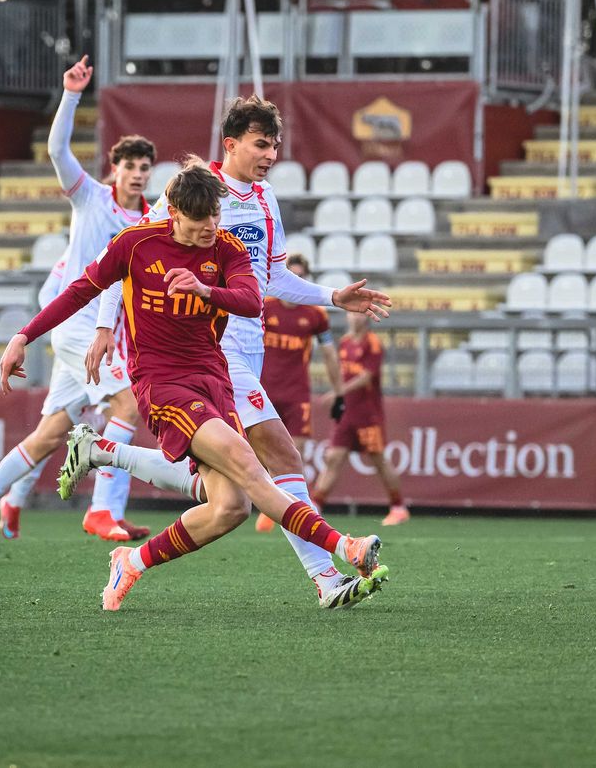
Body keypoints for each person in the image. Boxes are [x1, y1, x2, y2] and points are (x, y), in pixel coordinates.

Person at [0, 158, 388, 612]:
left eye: (216, 216)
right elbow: (80, 289)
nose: (211, 227)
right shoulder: (135, 244)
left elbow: (247, 299)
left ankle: (131, 560)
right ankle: (344, 549)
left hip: (213, 377)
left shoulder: (225, 248)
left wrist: (206, 292)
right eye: (201, 219)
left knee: (231, 507)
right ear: (175, 214)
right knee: (249, 461)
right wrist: (24, 335)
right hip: (161, 382)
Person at [79, 94, 395, 609]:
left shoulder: (267, 200)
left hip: (249, 351)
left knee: (226, 496)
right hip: (209, 345)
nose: (270, 154)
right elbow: (128, 254)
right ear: (232, 144)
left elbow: (273, 278)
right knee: (279, 454)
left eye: (275, 145)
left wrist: (332, 297)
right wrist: (103, 326)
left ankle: (113, 483)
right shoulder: (193, 192)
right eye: (261, 144)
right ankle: (327, 575)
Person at [0, 55, 154, 544]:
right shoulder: (90, 198)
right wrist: (72, 93)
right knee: (128, 404)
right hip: (77, 324)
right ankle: (103, 509)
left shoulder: (147, 224)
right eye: (131, 166)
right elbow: (58, 148)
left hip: (104, 335)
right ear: (115, 169)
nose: (139, 174)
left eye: (146, 167)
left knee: (50, 436)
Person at [252, 252, 345, 533]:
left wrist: (339, 392)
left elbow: (329, 354)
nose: (297, 282)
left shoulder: (315, 314)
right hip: (262, 391)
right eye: (293, 276)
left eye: (302, 277)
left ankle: (283, 510)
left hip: (297, 393)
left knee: (295, 453)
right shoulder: (263, 306)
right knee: (257, 453)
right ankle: (269, 504)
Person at [311, 310, 408, 525]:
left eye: (360, 314)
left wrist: (338, 392)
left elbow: (366, 378)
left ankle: (398, 507)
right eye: (352, 314)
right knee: (333, 457)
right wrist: (340, 397)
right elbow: (342, 373)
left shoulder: (372, 343)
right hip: (347, 413)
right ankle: (315, 506)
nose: (355, 317)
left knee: (379, 460)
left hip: (368, 414)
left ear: (366, 318)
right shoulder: (344, 342)